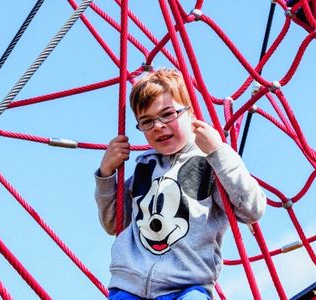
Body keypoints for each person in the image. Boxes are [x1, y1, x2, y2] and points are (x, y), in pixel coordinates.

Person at [94, 68, 266, 300]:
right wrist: (106, 174)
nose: (158, 125)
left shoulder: (210, 164)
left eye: (168, 114)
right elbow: (113, 223)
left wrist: (219, 152)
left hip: (187, 287)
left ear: (191, 112)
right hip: (129, 287)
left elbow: (252, 209)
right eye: (146, 121)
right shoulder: (144, 167)